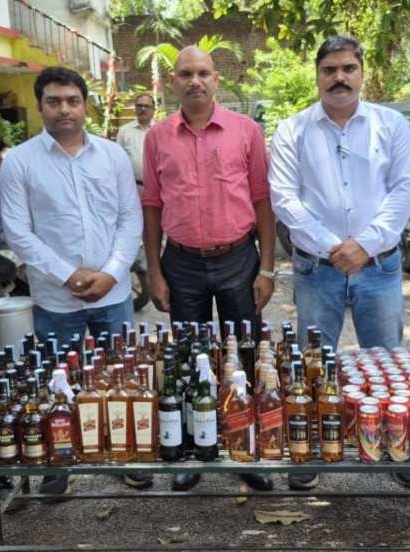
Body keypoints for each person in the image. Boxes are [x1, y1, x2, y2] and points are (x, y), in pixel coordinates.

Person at [269, 34, 410, 491]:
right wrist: (335, 246)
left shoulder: (391, 125)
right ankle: (309, 448)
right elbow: (284, 197)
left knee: (385, 361)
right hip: (318, 269)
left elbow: (404, 190)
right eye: (329, 70)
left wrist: (365, 245)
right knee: (313, 364)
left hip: (379, 267)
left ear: (362, 73)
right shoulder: (293, 130)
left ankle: (395, 445)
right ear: (317, 75)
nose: (339, 77)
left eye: (348, 68)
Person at [0, 66, 145, 492]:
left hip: (113, 295)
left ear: (85, 106)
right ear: (40, 106)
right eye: (54, 101)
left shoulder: (112, 156)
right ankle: (58, 464)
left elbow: (129, 219)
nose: (64, 109)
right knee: (56, 381)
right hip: (56, 299)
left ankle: (125, 453)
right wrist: (67, 274)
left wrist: (112, 273)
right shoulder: (20, 162)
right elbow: (17, 231)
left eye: (72, 101)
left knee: (120, 378)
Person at [141, 46, 275, 493]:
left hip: (238, 258)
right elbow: (152, 206)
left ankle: (246, 446)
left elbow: (262, 201)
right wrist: (155, 272)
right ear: (173, 81)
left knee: (246, 356)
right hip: (181, 263)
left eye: (203, 73)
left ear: (216, 79)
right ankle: (194, 449)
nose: (195, 81)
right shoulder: (157, 137)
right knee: (187, 358)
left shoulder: (246, 131)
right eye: (186, 74)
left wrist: (268, 269)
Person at [116, 92, 155, 187]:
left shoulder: (160, 130)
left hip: (158, 187)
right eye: (139, 106)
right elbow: (117, 160)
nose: (143, 109)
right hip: (133, 186)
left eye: (146, 106)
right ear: (135, 108)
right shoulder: (124, 131)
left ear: (153, 110)